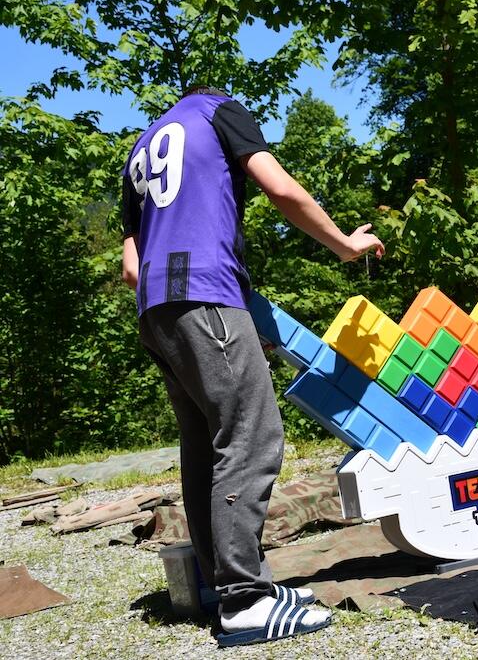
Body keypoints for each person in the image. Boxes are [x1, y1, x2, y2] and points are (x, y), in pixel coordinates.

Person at [121, 86, 385, 647]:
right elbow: (280, 186)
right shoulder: (219, 110)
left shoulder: (141, 147)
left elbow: (130, 267)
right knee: (251, 437)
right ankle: (245, 601)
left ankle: (224, 587)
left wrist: (210, 324)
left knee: (205, 445)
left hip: (155, 309)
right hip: (205, 290)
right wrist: (343, 244)